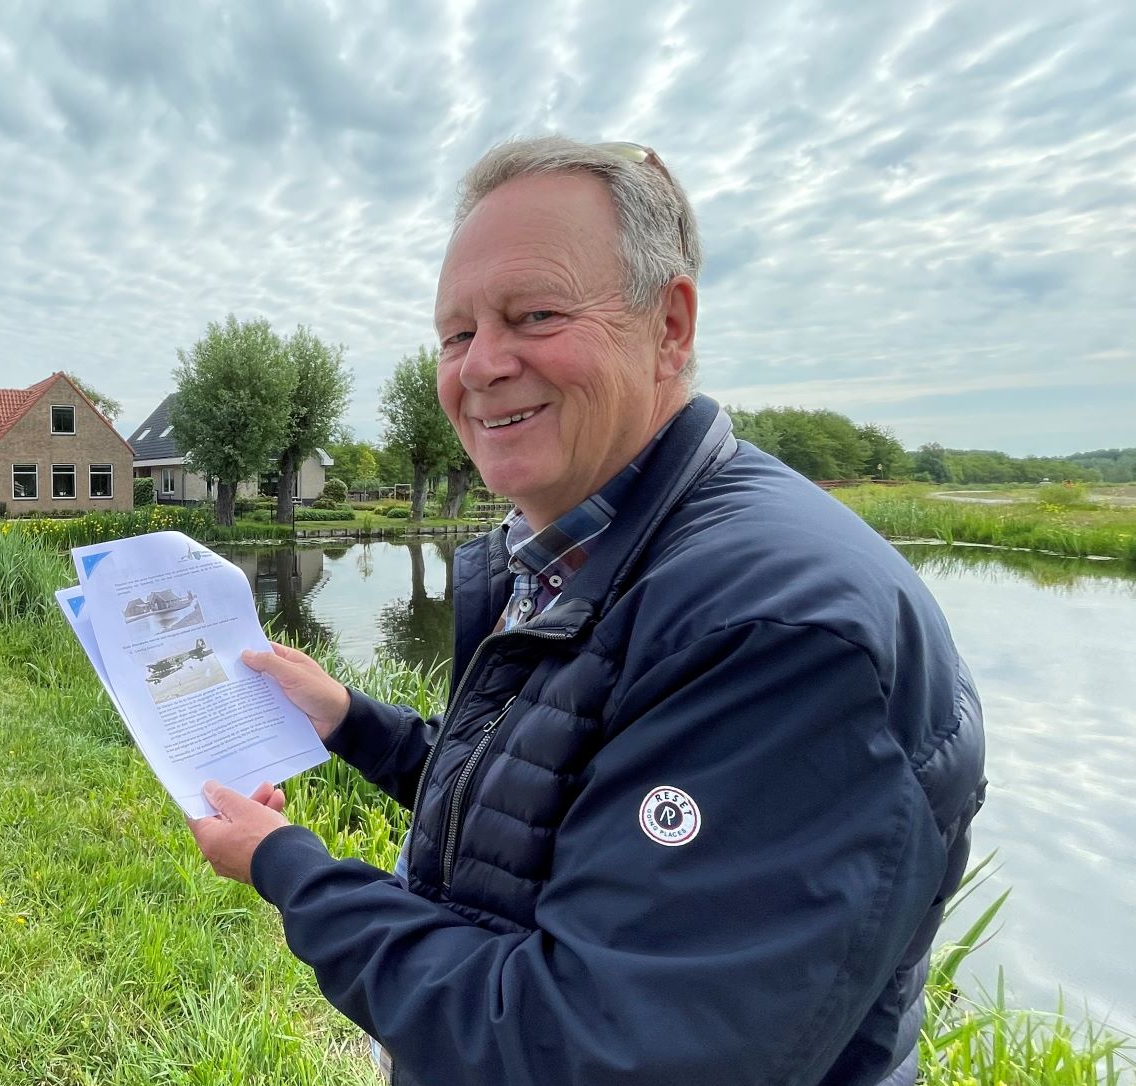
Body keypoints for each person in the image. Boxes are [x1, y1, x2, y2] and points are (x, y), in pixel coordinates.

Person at [187, 135, 986, 1085]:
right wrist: (355, 723)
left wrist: (290, 870)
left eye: (534, 314)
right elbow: (543, 803)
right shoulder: (592, 543)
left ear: (671, 327)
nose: (482, 365)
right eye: (455, 334)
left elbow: (587, 1047)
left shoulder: (775, 633)